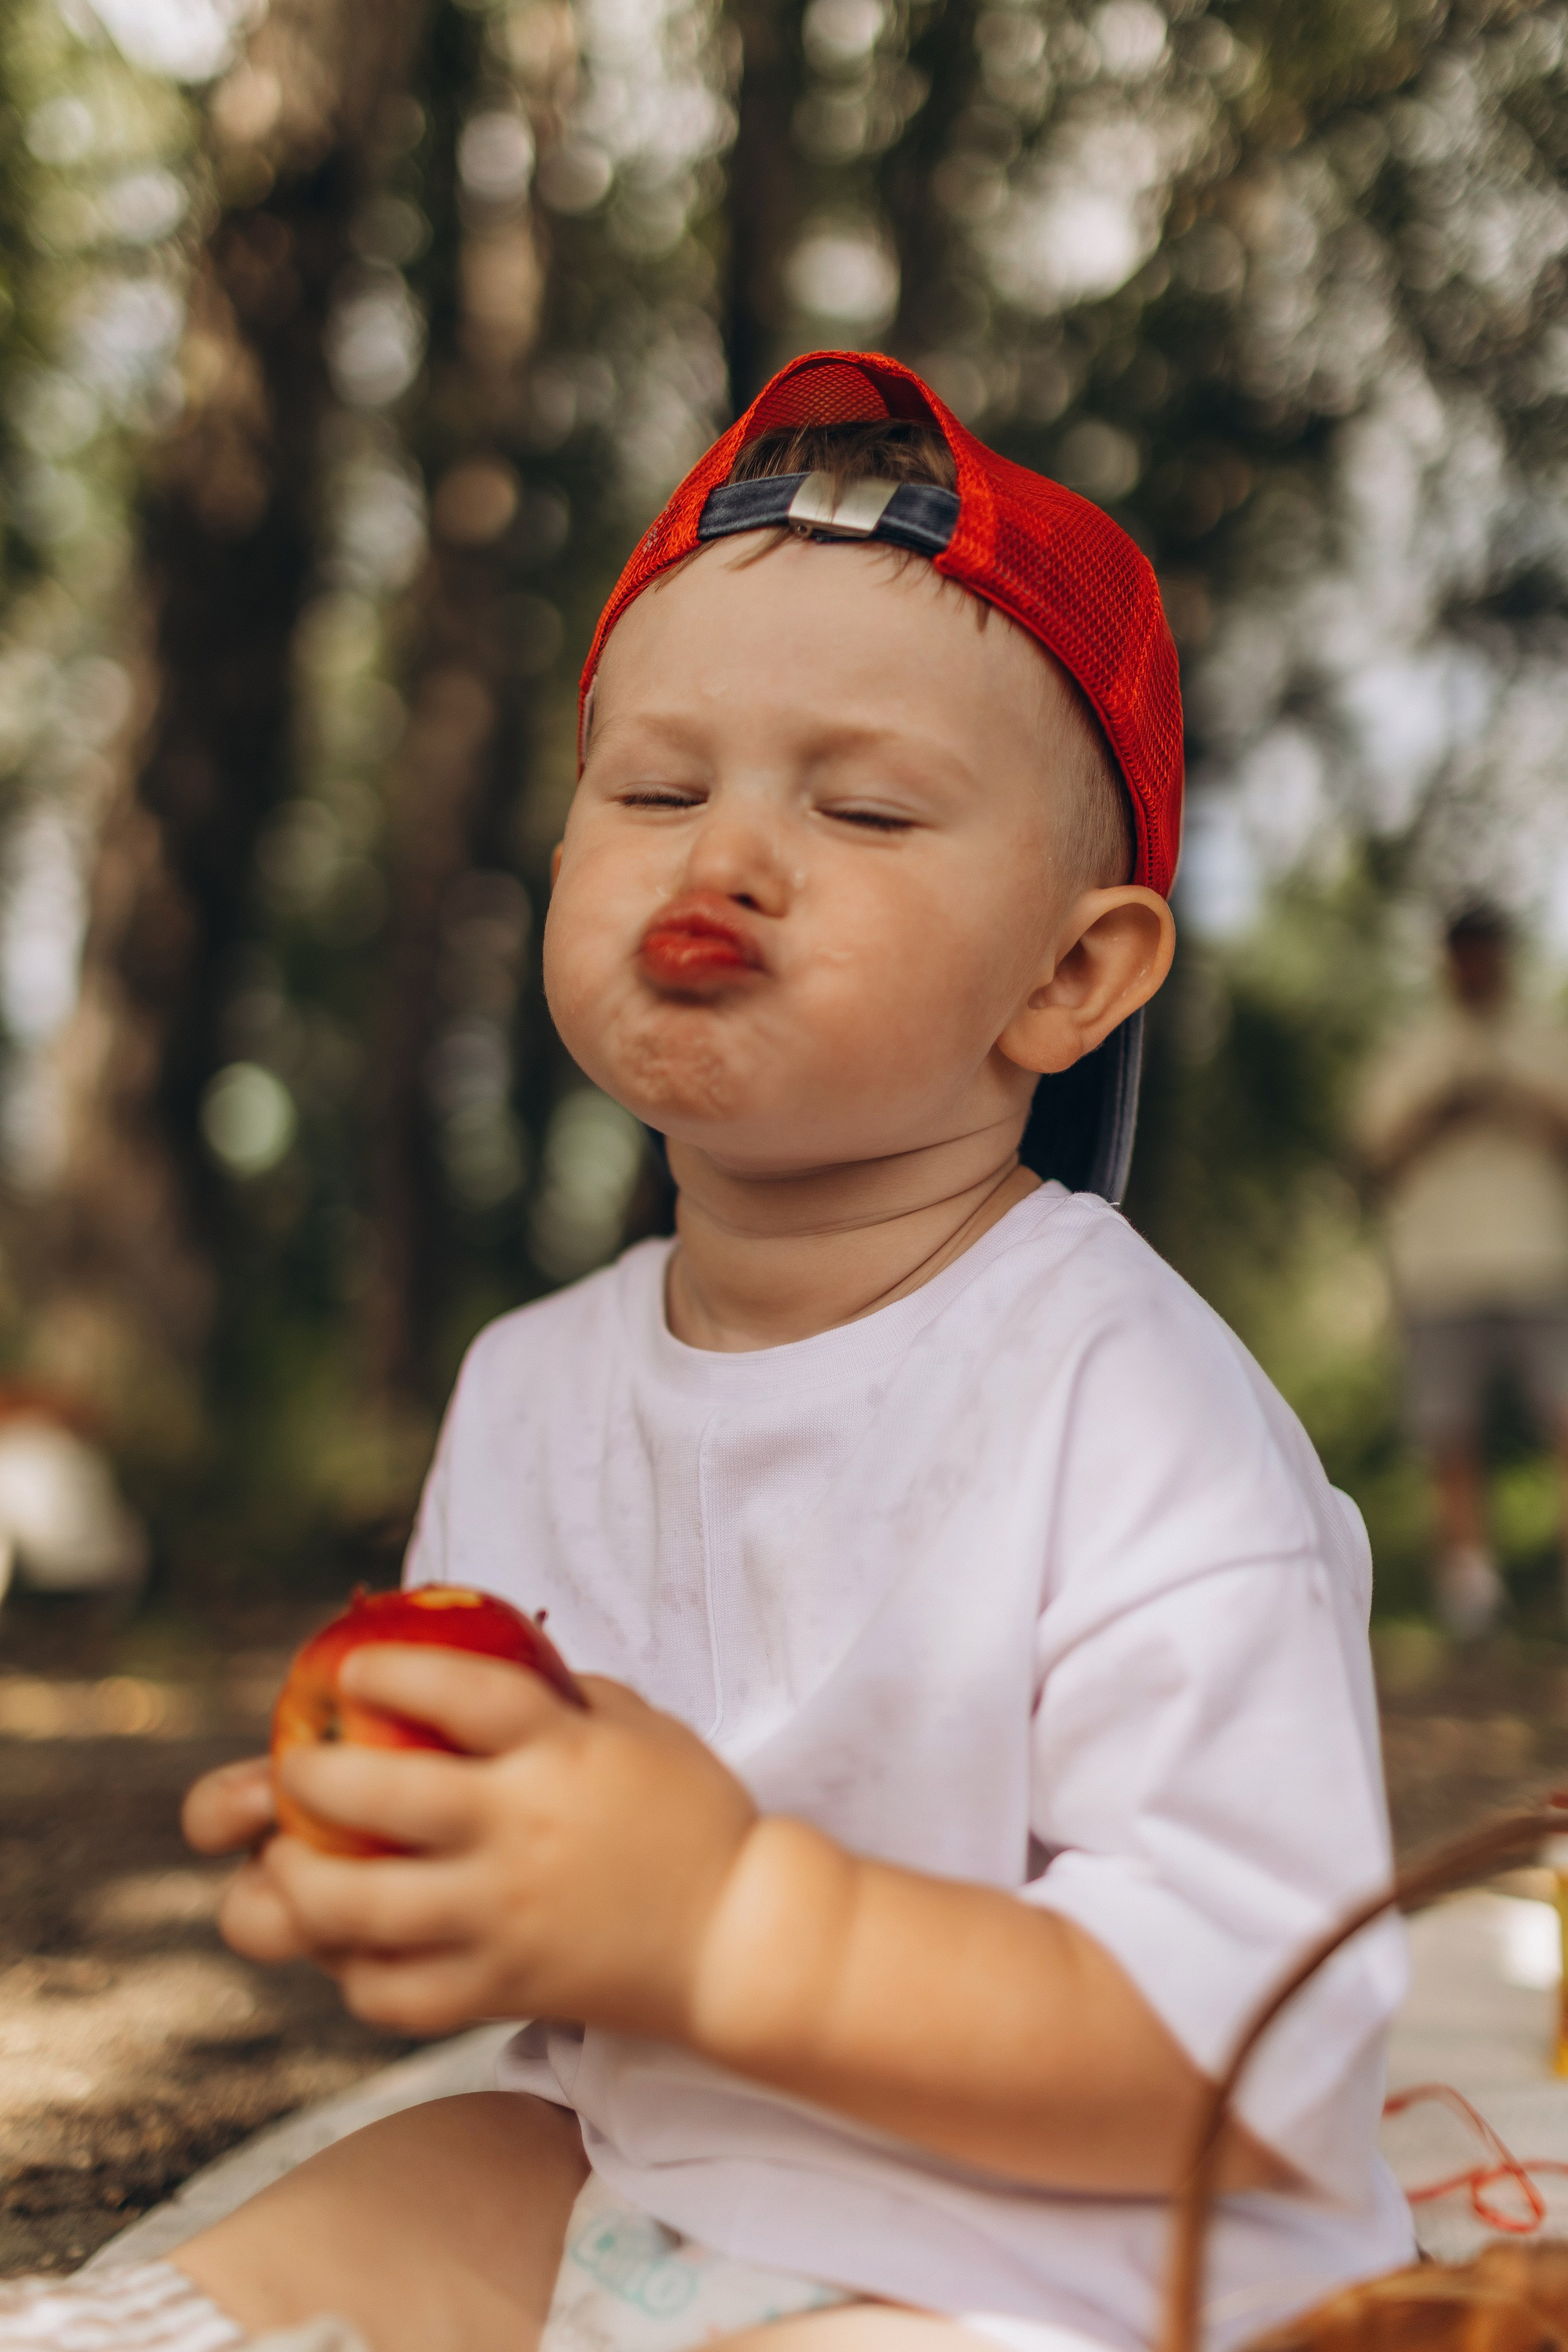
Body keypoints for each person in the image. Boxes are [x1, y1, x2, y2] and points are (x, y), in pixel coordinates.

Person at [0, 353, 1411, 2352]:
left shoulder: (1127, 1400)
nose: (723, 856)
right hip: (669, 2197)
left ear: (1071, 975)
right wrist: (425, 1864)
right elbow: (578, 1969)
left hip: (1072, 2271)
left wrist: (742, 1924)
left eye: (859, 805)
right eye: (655, 788)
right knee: (413, 2184)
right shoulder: (531, 1387)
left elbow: (1256, 2046)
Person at [1356, 904, 1568, 1638]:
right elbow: (1374, 1160)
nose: (1476, 967)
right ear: (1447, 961)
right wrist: (1445, 1110)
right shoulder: (1411, 1049)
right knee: (1450, 1433)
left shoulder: (1546, 1040)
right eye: (1464, 954)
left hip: (1539, 1257)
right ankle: (1471, 1599)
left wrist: (1510, 1099)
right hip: (1438, 1266)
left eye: (1487, 953)